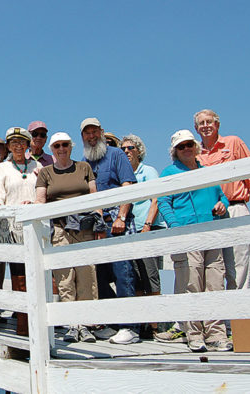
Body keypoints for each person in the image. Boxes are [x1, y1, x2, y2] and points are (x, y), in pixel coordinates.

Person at [158, 130, 232, 353]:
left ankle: (216, 335)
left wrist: (223, 205)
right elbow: (163, 202)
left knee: (215, 283)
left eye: (189, 144)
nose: (187, 149)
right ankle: (194, 334)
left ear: (196, 146)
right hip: (187, 234)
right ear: (175, 151)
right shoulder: (169, 173)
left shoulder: (206, 172)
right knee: (190, 283)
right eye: (182, 146)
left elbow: (222, 195)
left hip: (211, 231)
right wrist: (176, 226)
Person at [194, 109, 250, 291]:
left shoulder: (233, 143)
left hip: (235, 208)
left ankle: (240, 316)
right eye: (201, 123)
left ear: (217, 124)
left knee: (237, 267)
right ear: (196, 129)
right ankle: (219, 317)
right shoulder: (195, 153)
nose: (205, 126)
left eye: (209, 122)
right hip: (209, 215)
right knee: (212, 269)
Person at [35, 132, 101, 344]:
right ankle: (72, 324)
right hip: (60, 227)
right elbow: (40, 200)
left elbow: (94, 196)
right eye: (57, 146)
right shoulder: (45, 172)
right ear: (52, 150)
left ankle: (87, 324)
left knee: (87, 275)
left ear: (70, 147)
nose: (61, 149)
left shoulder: (84, 168)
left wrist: (99, 220)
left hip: (84, 226)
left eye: (65, 145)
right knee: (65, 277)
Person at [79, 117, 140, 344]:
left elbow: (128, 186)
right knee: (98, 276)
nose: (91, 136)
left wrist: (122, 217)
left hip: (117, 220)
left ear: (101, 132)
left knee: (123, 273)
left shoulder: (116, 154)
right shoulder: (83, 162)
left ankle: (129, 326)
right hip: (95, 223)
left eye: (95, 132)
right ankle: (113, 322)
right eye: (87, 133)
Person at [0, 127, 42, 337]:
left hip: (34, 228)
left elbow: (43, 191)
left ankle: (38, 324)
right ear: (8, 147)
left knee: (36, 275)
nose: (18, 146)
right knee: (18, 276)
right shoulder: (2, 168)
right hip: (12, 229)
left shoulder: (37, 165)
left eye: (22, 142)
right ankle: (22, 326)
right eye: (14, 143)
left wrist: (35, 201)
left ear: (28, 144)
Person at [120, 134, 166, 339]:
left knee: (151, 277)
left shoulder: (148, 171)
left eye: (130, 148)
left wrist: (148, 224)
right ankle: (143, 324)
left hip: (147, 229)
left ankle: (158, 325)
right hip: (131, 230)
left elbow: (155, 199)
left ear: (139, 150)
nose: (126, 152)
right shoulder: (123, 174)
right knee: (137, 278)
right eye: (123, 149)